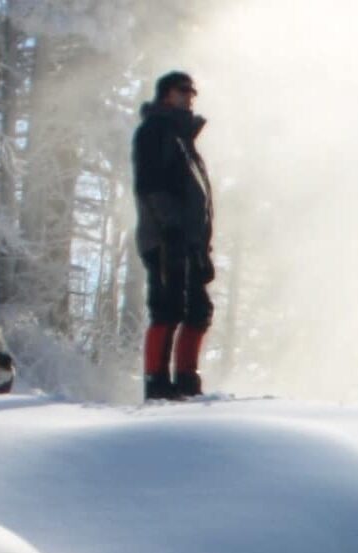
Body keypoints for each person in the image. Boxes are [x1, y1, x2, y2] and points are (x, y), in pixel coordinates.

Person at [132, 69, 214, 401]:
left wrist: (199, 244)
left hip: (190, 241)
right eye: (183, 91)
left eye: (192, 92)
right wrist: (171, 229)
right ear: (166, 94)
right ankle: (157, 383)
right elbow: (149, 185)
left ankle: (185, 380)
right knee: (167, 307)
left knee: (198, 309)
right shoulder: (155, 130)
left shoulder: (184, 139)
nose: (189, 97)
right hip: (165, 238)